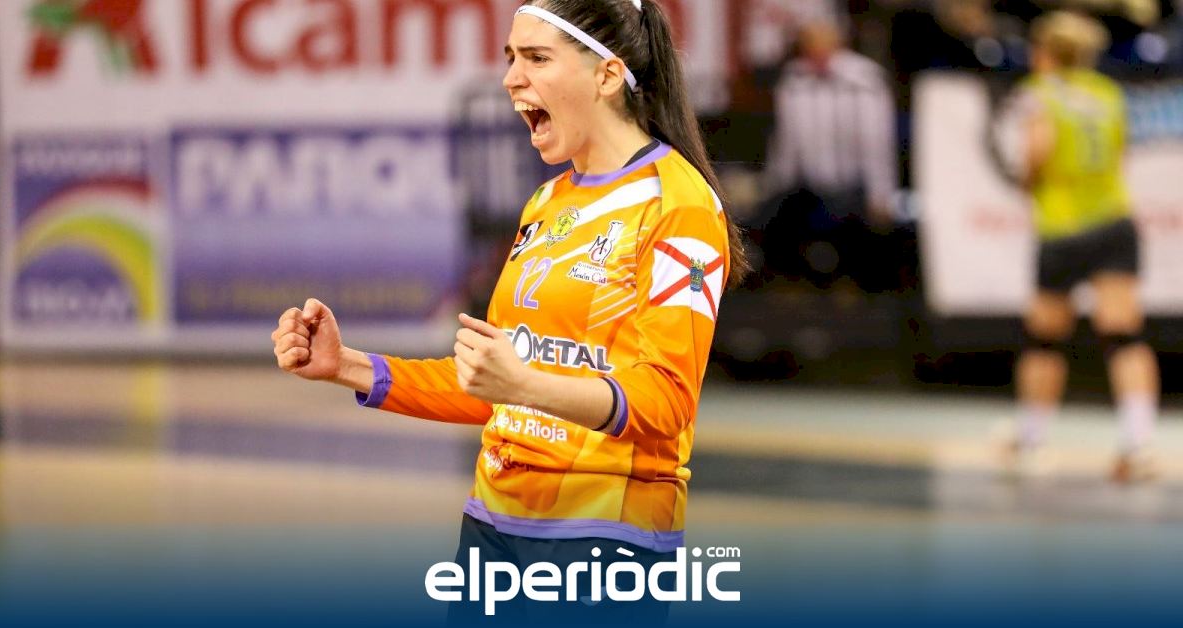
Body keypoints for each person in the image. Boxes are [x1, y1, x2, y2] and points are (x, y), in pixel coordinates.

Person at [270, 0, 748, 622]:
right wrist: (348, 367)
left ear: (607, 74)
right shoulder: (547, 202)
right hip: (492, 529)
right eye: (509, 58)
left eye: (536, 58)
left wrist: (525, 386)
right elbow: (494, 385)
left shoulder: (677, 206)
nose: (510, 79)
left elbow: (666, 402)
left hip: (605, 540)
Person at [1008, 11, 1159, 483]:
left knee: (1045, 339)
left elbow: (1037, 151)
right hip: (1113, 221)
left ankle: (1031, 440)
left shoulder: (1041, 93)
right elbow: (1120, 152)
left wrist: (1028, 181)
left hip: (1063, 227)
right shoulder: (1107, 93)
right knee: (1124, 335)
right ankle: (1138, 443)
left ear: (1046, 51)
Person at [756, 18, 901, 293]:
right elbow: (787, 141)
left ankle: (856, 291)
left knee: (869, 238)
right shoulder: (793, 79)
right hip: (809, 184)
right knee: (776, 221)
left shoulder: (865, 79)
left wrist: (881, 194)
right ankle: (793, 288)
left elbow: (877, 142)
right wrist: (775, 189)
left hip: (854, 184)